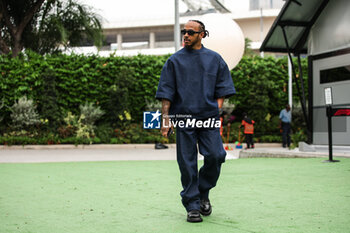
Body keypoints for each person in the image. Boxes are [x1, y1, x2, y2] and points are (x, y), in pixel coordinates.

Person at [155, 20, 236, 223]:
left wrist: (214, 109)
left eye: (191, 32)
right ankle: (192, 205)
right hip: (183, 118)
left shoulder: (215, 59)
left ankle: (203, 190)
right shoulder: (174, 61)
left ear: (202, 34)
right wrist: (166, 118)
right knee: (187, 162)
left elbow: (222, 90)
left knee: (217, 156)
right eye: (184, 31)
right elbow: (166, 93)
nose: (186, 35)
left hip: (208, 118)